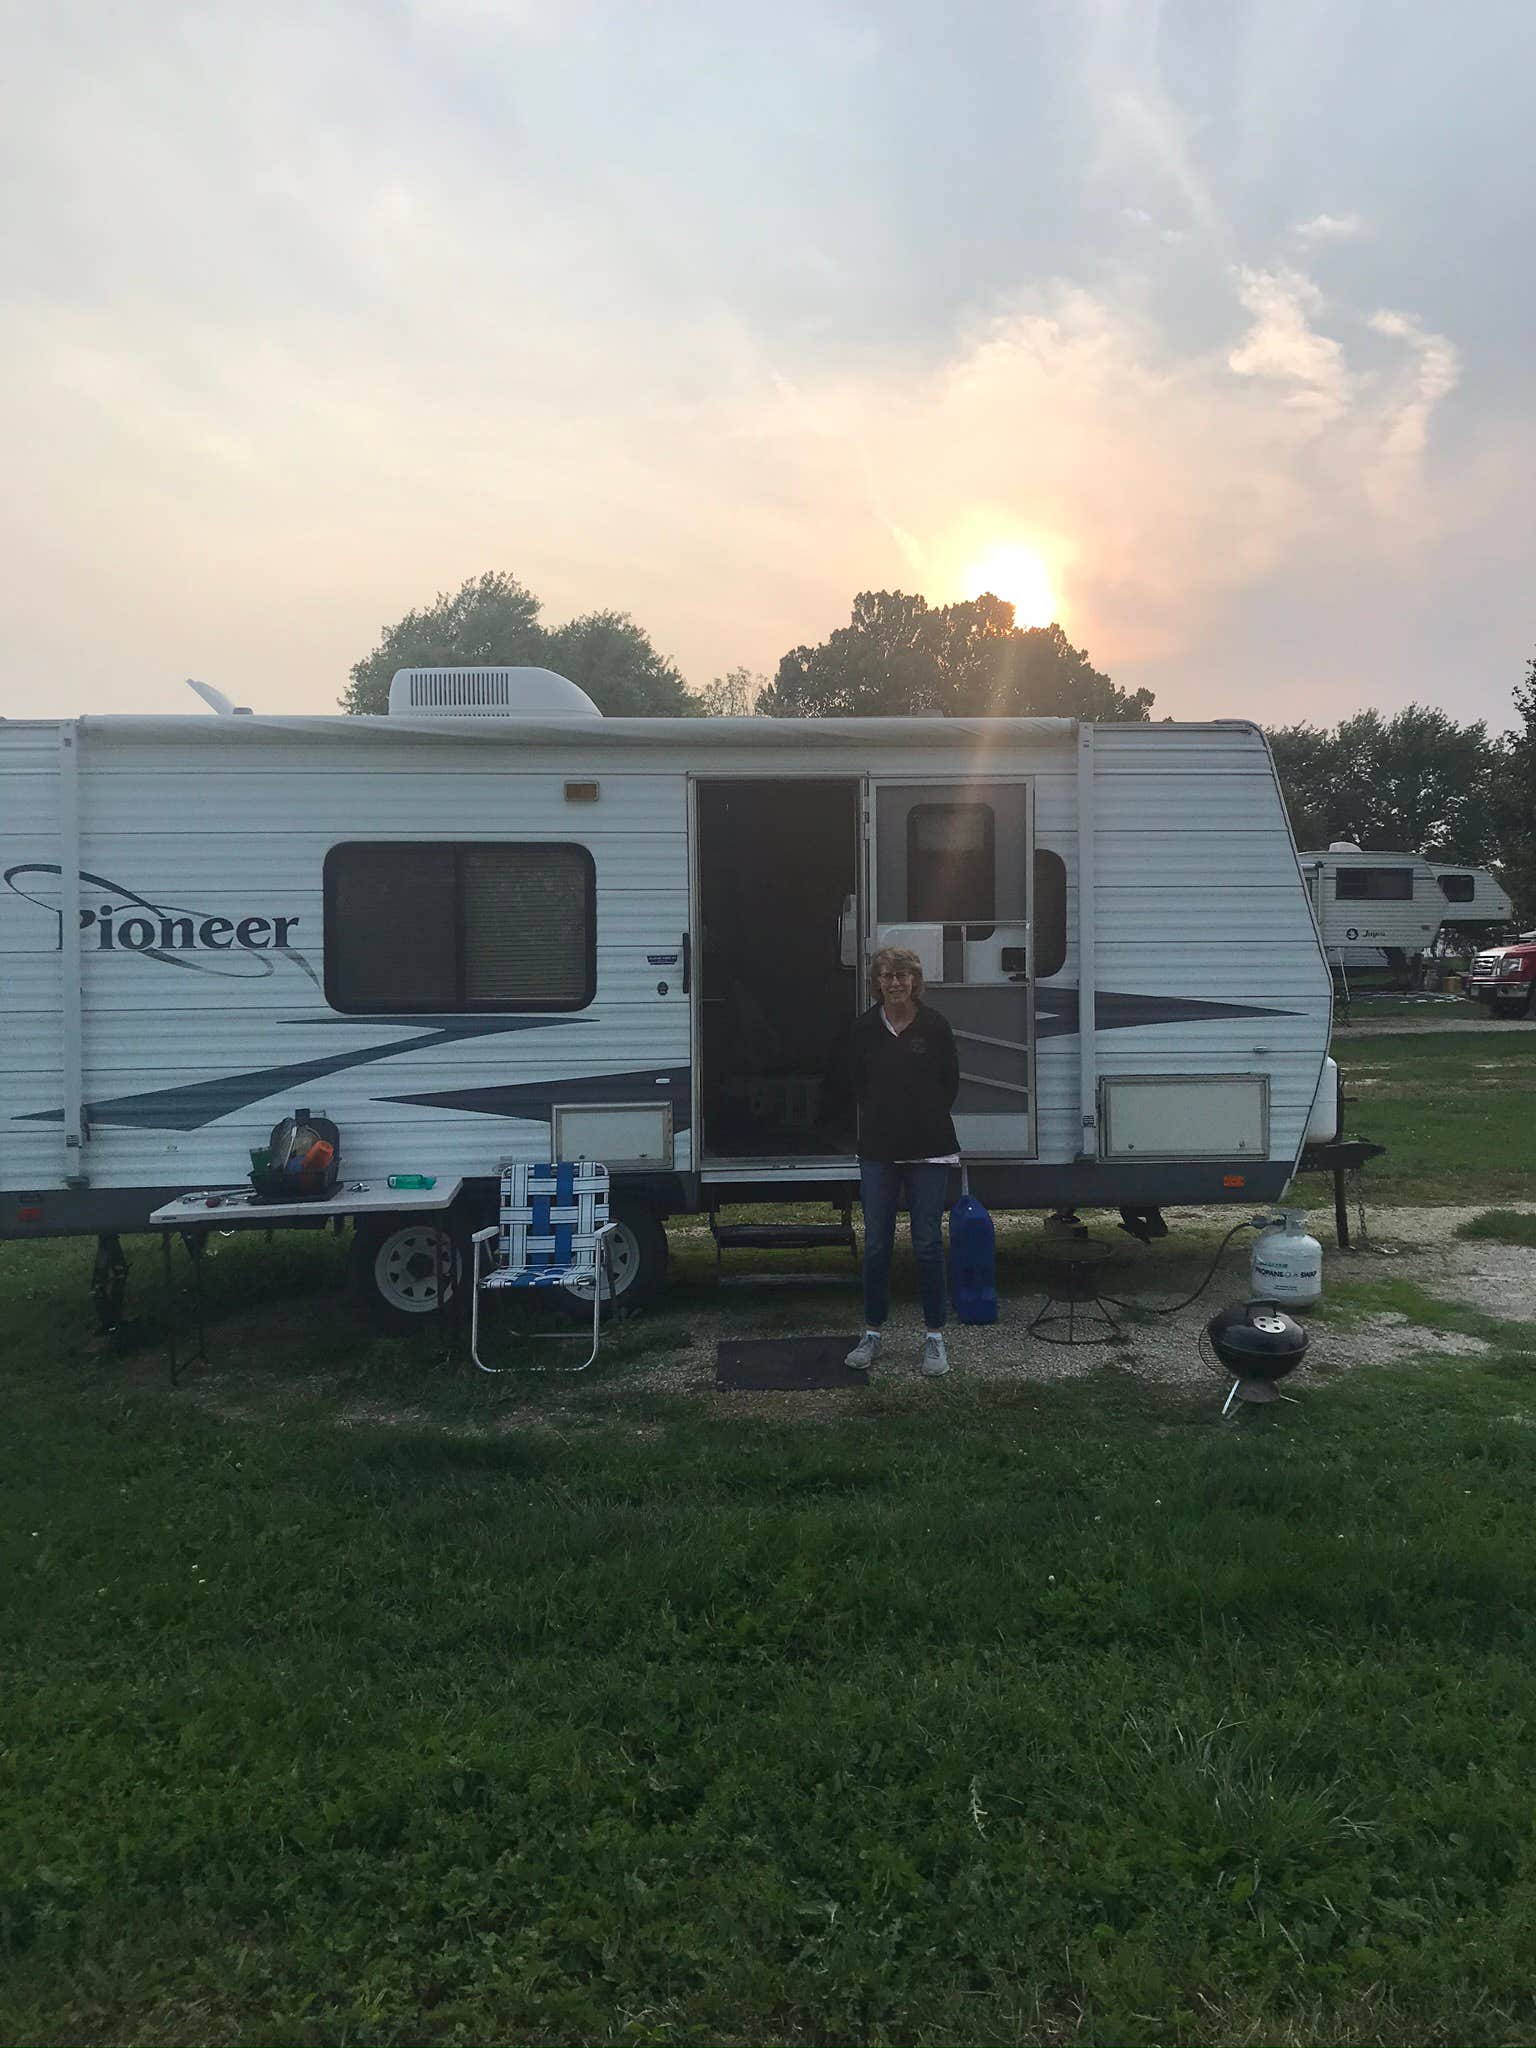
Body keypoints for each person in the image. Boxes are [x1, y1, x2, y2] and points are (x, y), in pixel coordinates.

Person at [844, 945, 960, 1379]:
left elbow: (950, 1083)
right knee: (876, 1245)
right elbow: (859, 1084)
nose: (895, 983)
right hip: (878, 1151)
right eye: (887, 976)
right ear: (877, 982)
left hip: (930, 1149)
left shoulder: (935, 1027)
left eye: (902, 975)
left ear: (915, 980)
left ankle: (934, 1338)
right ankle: (872, 1333)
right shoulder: (862, 1030)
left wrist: (921, 1116)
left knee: (927, 1243)